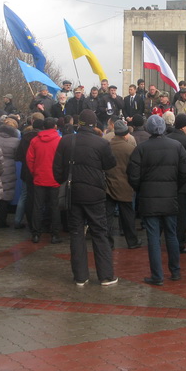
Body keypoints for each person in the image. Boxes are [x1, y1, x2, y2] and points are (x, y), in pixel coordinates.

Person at [53, 109, 118, 285]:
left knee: (76, 233)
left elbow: (57, 170)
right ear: (95, 124)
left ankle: (80, 276)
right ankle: (106, 276)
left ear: (78, 123)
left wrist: (64, 181)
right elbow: (110, 164)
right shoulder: (101, 143)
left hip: (73, 192)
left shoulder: (66, 141)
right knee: (99, 232)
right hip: (95, 193)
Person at [127, 115, 186, 286]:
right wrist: (175, 186)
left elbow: (132, 175)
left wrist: (141, 189)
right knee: (171, 235)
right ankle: (175, 271)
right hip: (170, 197)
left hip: (149, 198)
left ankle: (157, 275)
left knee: (153, 238)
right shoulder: (176, 146)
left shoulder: (142, 148)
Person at [26, 117, 62, 243]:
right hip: (54, 178)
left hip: (39, 177)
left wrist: (34, 172)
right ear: (55, 127)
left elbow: (30, 159)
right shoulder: (59, 140)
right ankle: (55, 234)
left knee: (37, 206)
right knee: (54, 207)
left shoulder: (35, 140)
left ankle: (36, 233)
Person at [105, 119, 140, 249]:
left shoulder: (106, 147)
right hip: (126, 186)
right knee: (128, 216)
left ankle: (108, 242)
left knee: (107, 216)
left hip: (108, 185)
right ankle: (132, 241)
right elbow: (135, 169)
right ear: (125, 134)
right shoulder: (130, 149)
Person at [167, 113, 186, 253]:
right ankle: (179, 244)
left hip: (169, 185)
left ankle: (170, 241)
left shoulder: (167, 139)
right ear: (182, 127)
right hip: (184, 186)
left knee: (170, 216)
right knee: (182, 216)